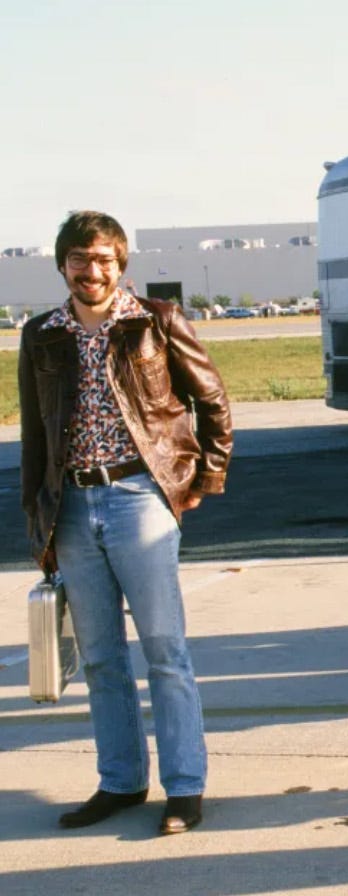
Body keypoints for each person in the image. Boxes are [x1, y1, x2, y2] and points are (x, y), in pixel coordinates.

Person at [19, 210, 232, 834]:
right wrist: (39, 523)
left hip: (139, 498)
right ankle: (120, 781)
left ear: (121, 264)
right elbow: (34, 436)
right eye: (80, 260)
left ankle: (184, 787)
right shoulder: (41, 335)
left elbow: (213, 401)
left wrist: (201, 480)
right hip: (72, 507)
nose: (92, 271)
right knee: (101, 658)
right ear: (63, 265)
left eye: (103, 259)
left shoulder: (156, 322)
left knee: (164, 650)